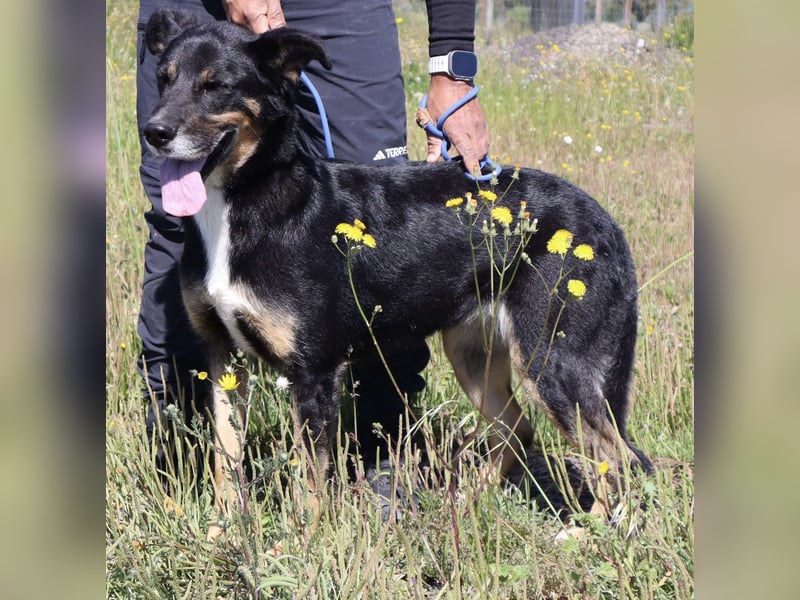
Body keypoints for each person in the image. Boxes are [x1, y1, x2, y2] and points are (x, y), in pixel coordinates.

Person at [135, 0, 489, 511]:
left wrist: (452, 69)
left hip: (339, 11)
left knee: (369, 225)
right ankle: (180, 457)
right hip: (196, 9)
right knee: (175, 223)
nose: (164, 113)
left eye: (211, 89)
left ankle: (377, 452)